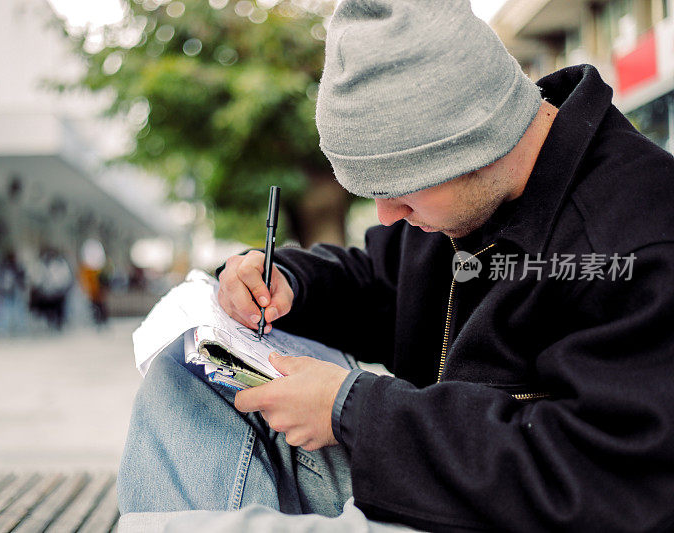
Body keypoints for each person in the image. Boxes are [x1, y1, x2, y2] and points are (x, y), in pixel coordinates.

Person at [116, 0, 674, 531]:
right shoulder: (473, 199)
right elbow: (386, 284)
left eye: (402, 189)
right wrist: (289, 280)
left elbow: (614, 485)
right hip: (434, 470)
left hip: (512, 510)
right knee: (183, 372)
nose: (387, 213)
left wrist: (352, 410)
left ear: (476, 141)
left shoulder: (640, 239)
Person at [0, 249, 27, 335]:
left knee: (7, 310)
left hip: (9, 292)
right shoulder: (14, 266)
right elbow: (22, 277)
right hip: (9, 292)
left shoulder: (4, 266)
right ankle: (17, 328)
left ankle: (5, 328)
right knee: (11, 310)